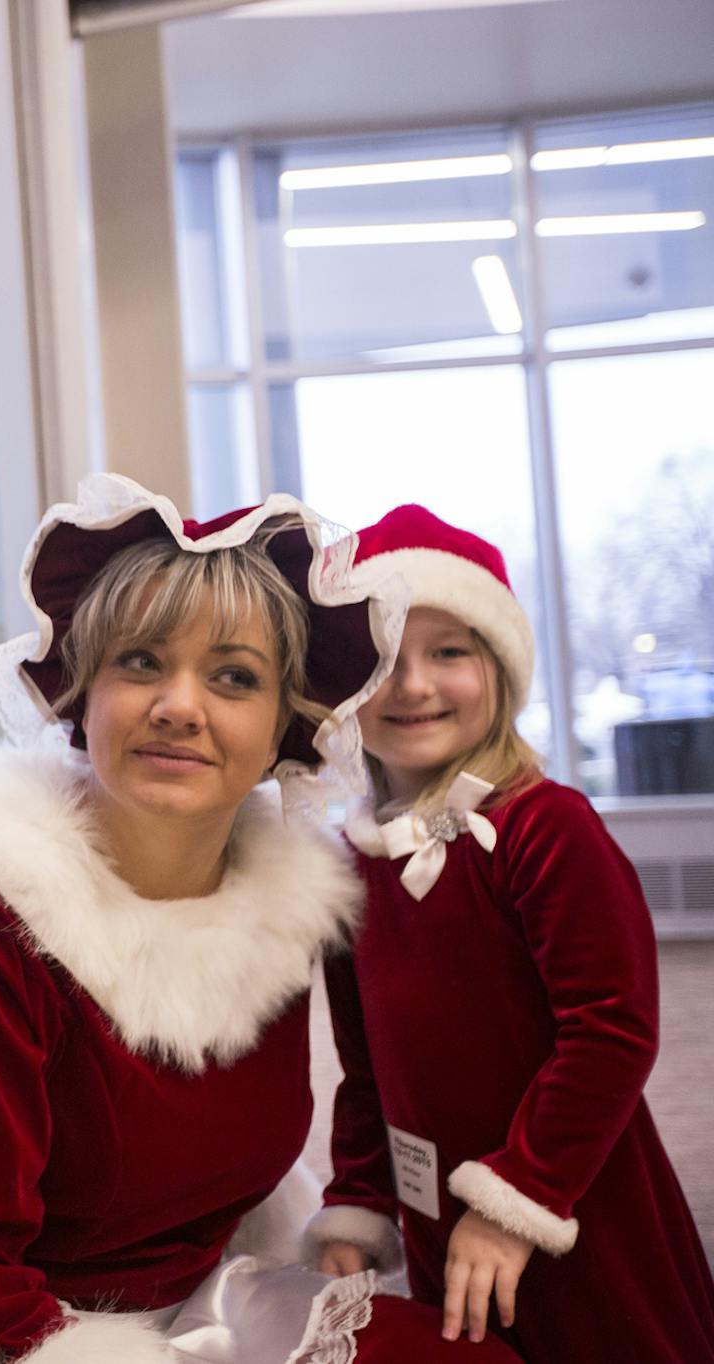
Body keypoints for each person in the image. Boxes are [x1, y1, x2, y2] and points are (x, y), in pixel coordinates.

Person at [0, 476, 526, 1363]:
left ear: (282, 728)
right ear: (83, 695)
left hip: (186, 1309)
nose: (180, 706)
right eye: (140, 661)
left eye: (233, 677)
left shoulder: (281, 915)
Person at [308, 505, 714, 1360]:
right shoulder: (352, 866)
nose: (414, 685)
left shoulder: (545, 827)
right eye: (386, 659)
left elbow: (612, 1031)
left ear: (497, 668)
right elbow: (367, 1074)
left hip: (573, 1199)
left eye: (449, 651)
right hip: (439, 1221)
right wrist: (360, 1198)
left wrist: (516, 1201)